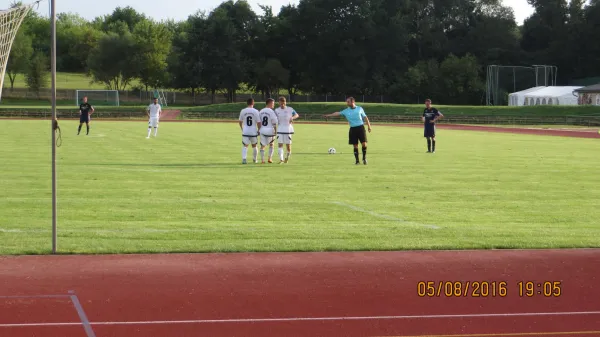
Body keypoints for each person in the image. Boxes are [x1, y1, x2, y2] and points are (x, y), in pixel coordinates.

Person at [323, 97, 372, 165]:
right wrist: (329, 115)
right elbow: (337, 113)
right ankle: (357, 161)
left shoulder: (359, 109)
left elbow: (365, 117)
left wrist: (369, 126)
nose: (347, 103)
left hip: (361, 128)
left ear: (352, 102)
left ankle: (364, 158)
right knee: (355, 146)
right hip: (352, 129)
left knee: (364, 144)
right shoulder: (346, 111)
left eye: (348, 102)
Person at [274, 96, 299, 164]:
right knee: (280, 144)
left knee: (288, 147)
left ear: (285, 102)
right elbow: (274, 118)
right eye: (281, 103)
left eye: (283, 103)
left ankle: (287, 158)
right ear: (279, 103)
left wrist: (292, 118)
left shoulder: (290, 109)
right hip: (280, 129)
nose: (282, 105)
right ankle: (281, 159)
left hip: (288, 129)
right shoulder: (276, 110)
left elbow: (297, 115)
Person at [238, 98, 261, 164]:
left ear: (247, 103)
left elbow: (240, 121)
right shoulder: (256, 111)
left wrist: (242, 128)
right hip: (253, 131)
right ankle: (255, 159)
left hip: (245, 131)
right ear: (253, 103)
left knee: (245, 146)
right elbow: (259, 122)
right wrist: (259, 130)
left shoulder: (243, 111)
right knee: (254, 146)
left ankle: (244, 159)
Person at [258, 98, 278, 164]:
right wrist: (276, 131)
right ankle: (269, 158)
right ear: (269, 103)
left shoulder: (261, 111)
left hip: (262, 130)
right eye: (273, 103)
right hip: (270, 130)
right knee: (271, 144)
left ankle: (262, 160)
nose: (273, 105)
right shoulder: (271, 112)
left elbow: (259, 122)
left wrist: (259, 129)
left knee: (262, 146)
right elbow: (274, 122)